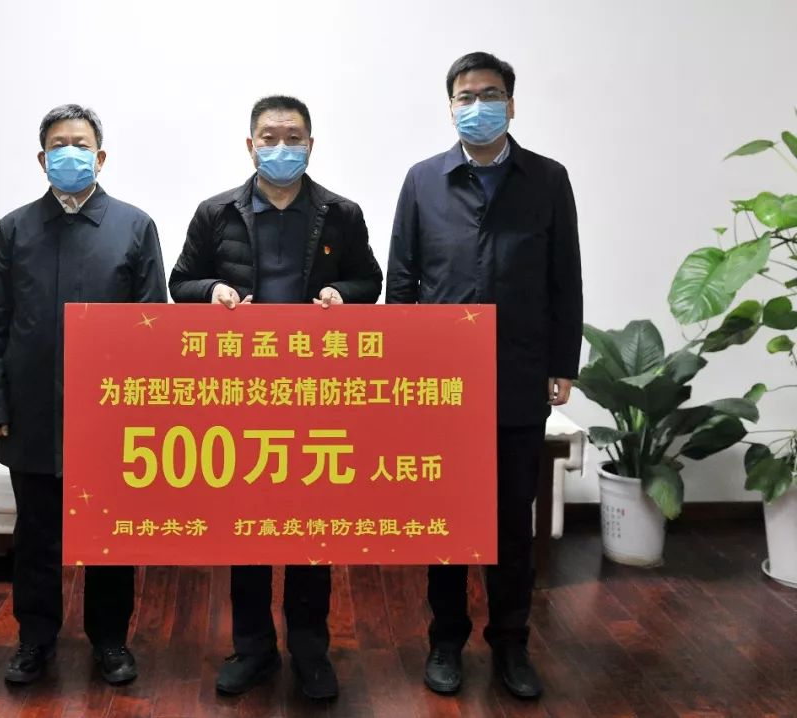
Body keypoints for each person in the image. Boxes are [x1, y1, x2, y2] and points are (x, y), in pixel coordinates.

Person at [169, 95, 383, 700]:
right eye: (270, 137)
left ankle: (311, 651)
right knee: (248, 529)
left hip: (316, 395)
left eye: (293, 137)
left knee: (313, 528)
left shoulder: (341, 214)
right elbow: (179, 283)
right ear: (250, 145)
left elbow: (372, 281)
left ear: (311, 146)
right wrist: (211, 290)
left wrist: (343, 294)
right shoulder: (216, 214)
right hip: (243, 395)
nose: (281, 147)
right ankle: (254, 648)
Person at [386, 52, 583, 699]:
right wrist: (401, 367)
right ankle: (445, 640)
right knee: (444, 517)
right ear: (450, 108)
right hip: (441, 382)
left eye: (490, 94)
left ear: (512, 104)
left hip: (518, 374)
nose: (478, 106)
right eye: (465, 96)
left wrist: (562, 364)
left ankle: (510, 644)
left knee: (510, 521)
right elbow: (402, 280)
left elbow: (565, 278)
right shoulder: (423, 181)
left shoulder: (547, 179)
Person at [0, 104, 167, 686]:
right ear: (42, 159)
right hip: (32, 410)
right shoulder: (15, 228)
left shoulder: (134, 226)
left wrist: (145, 409)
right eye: (58, 145)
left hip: (109, 414)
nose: (70, 154)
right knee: (35, 534)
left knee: (109, 533)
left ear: (100, 156)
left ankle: (110, 640)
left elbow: (152, 323)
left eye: (81, 144)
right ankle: (34, 639)